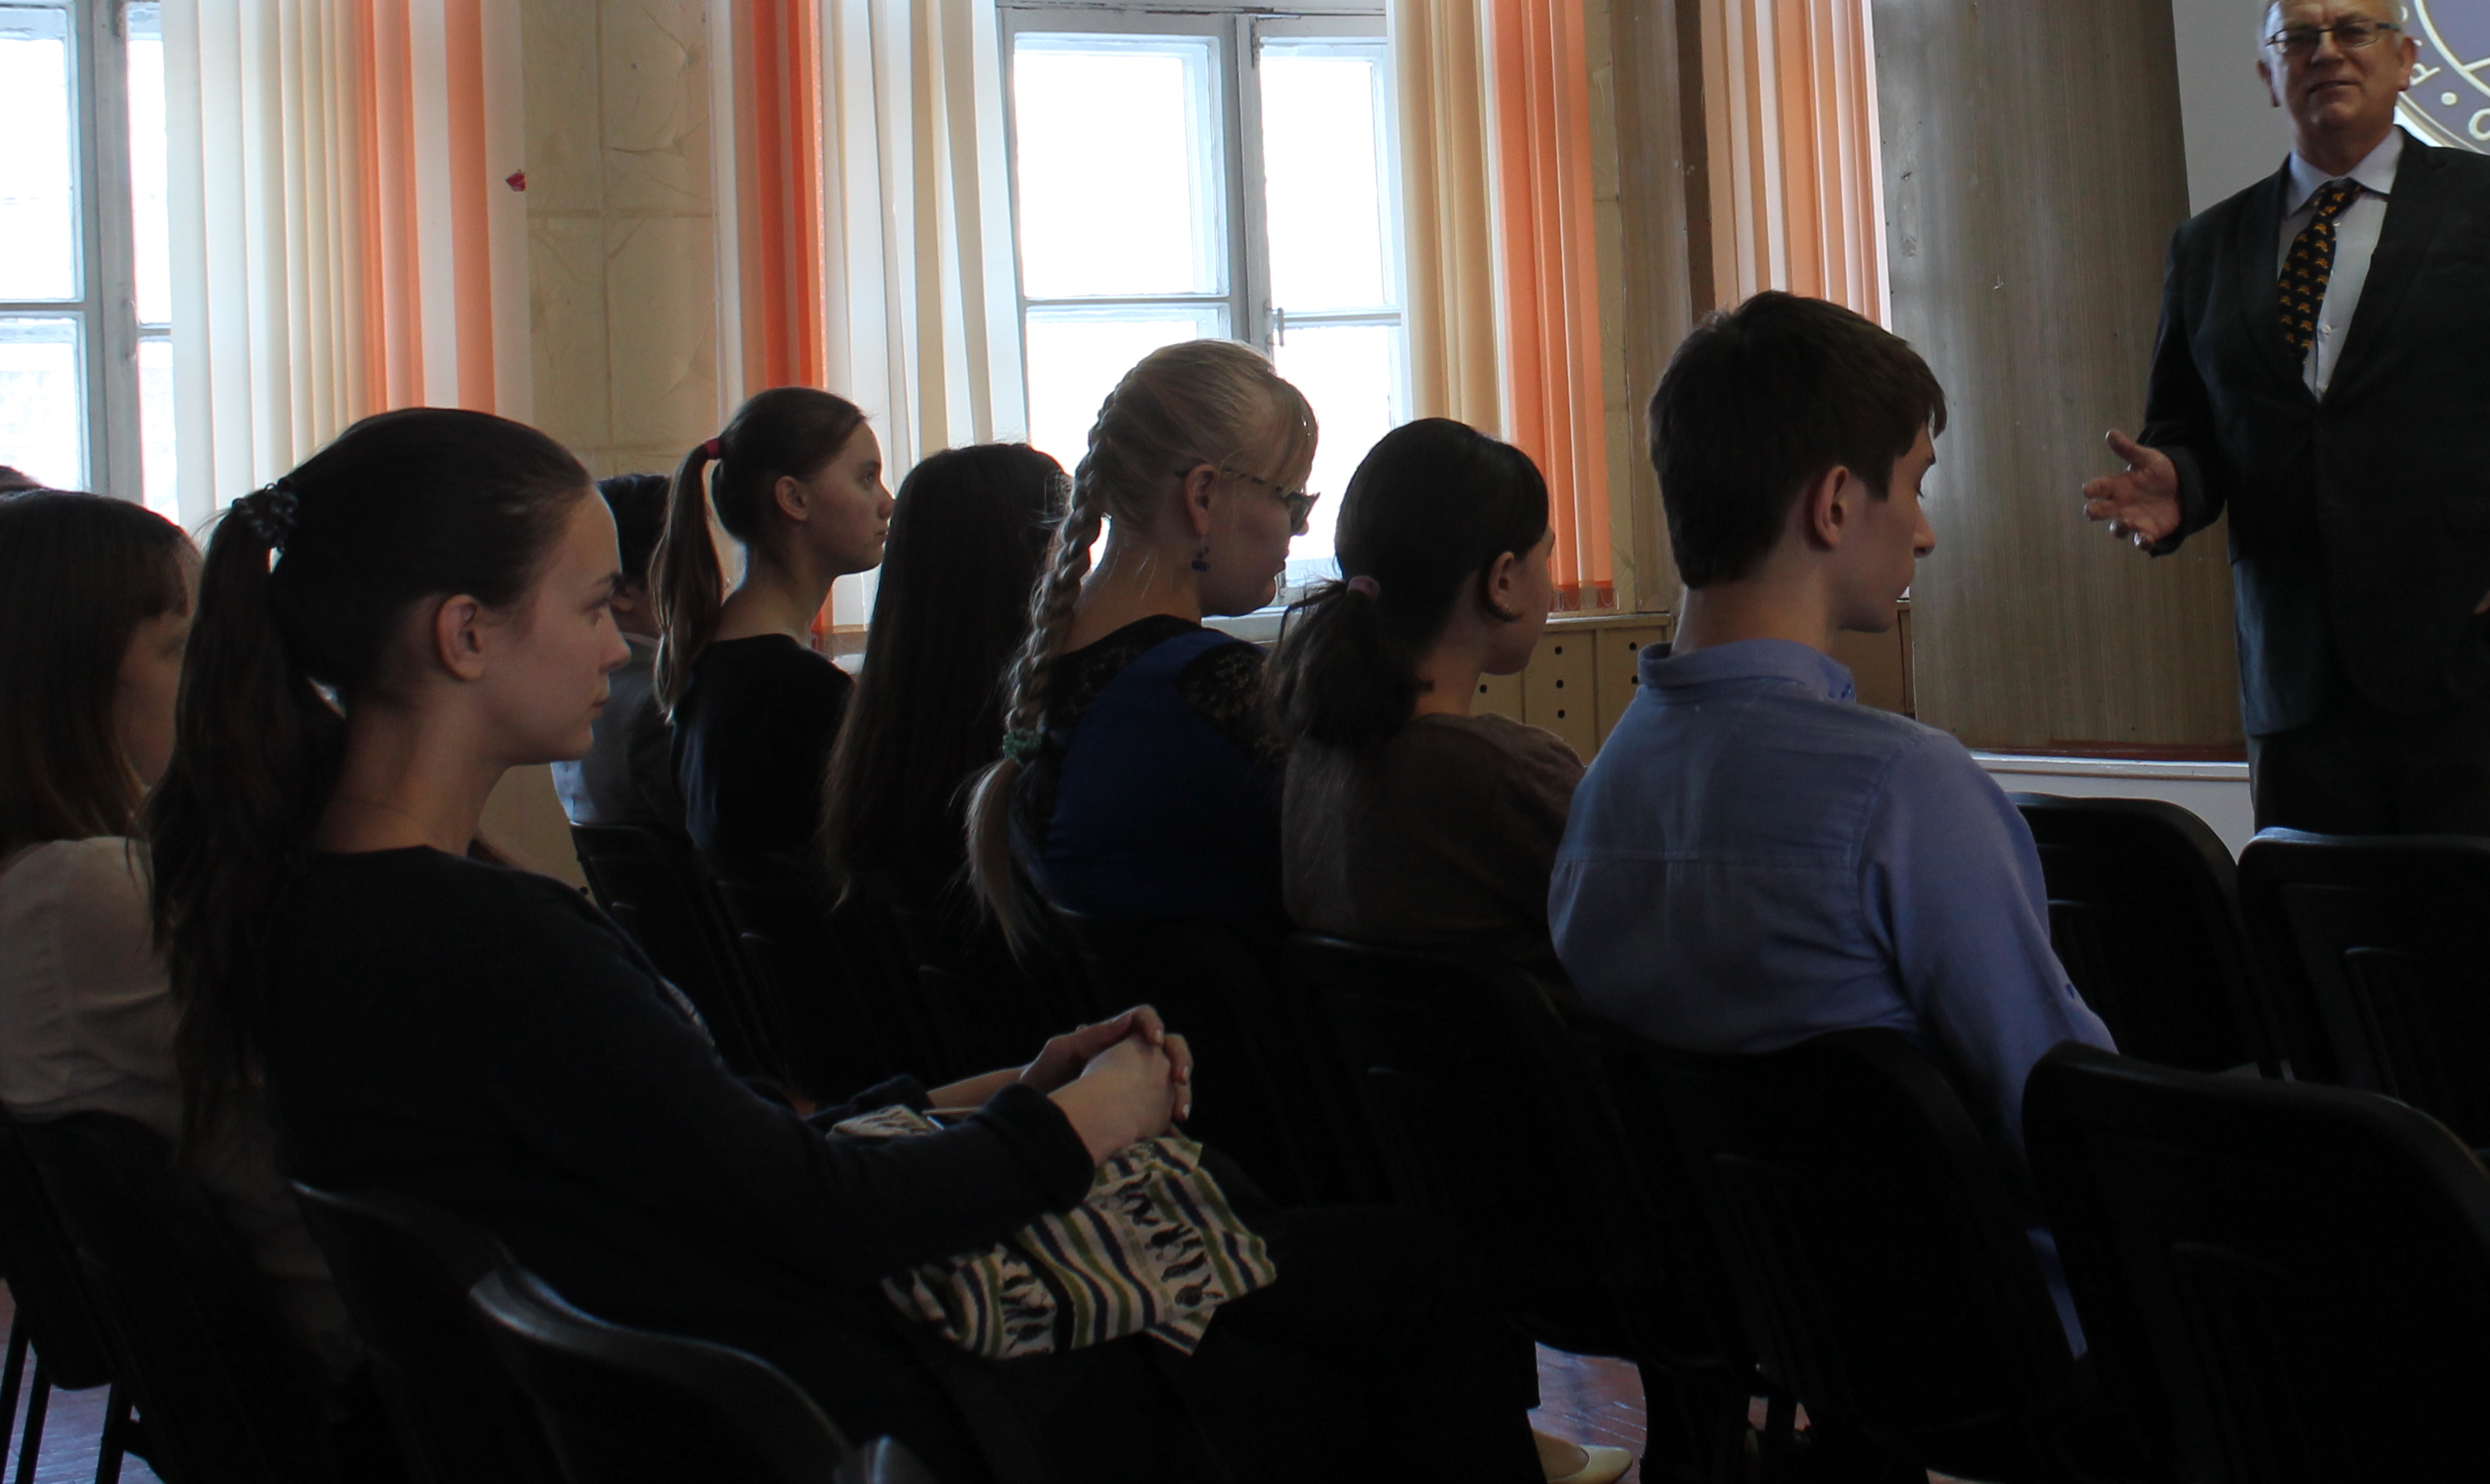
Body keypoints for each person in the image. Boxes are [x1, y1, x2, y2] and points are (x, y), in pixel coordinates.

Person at [145, 406, 1551, 1484]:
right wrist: (1082, 1122)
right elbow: (815, 1210)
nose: (621, 642)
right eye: (587, 604)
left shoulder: (316, 908)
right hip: (866, 1414)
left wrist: (996, 1092)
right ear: (464, 634)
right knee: (1416, 1286)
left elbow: (701, 1153)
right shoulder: (484, 942)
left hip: (712, 1389)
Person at [2083, 0, 2490, 855]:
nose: (2327, 53)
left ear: (2404, 59)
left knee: (2476, 930)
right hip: (2295, 679)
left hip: (2475, 664)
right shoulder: (2208, 245)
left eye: (2353, 30)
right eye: (2298, 39)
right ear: (2269, 75)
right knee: (2317, 930)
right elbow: (2190, 429)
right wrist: (2180, 488)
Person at [1549, 292, 2110, 1163]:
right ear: (1836, 503)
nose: (1924, 532)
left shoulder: (1599, 795)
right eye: (1915, 484)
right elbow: (2071, 1117)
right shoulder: (1908, 791)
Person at [0, 493, 354, 1377]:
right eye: (181, 648)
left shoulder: (53, 880)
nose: (216, 680)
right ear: (68, 678)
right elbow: (356, 1084)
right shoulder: (82, 892)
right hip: (349, 1349)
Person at [970, 342, 1314, 943]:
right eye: (1291, 499)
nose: (1300, 527)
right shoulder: (1213, 686)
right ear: (1202, 496)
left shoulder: (1049, 672)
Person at [1272, 421, 1576, 981]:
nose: (1552, 585)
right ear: (1502, 581)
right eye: (1547, 556)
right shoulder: (1506, 774)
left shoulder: (1310, 762)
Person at [824, 443, 1068, 917]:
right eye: (1069, 542)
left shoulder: (875, 756)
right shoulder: (1043, 762)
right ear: (1028, 567)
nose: (1085, 570)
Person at [657, 389, 892, 860]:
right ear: (793, 498)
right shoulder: (803, 692)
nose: (887, 502)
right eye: (866, 478)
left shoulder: (703, 665)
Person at [554, 471, 680, 832]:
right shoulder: (659, 706)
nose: (714, 579)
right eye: (685, 563)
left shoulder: (572, 696)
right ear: (624, 590)